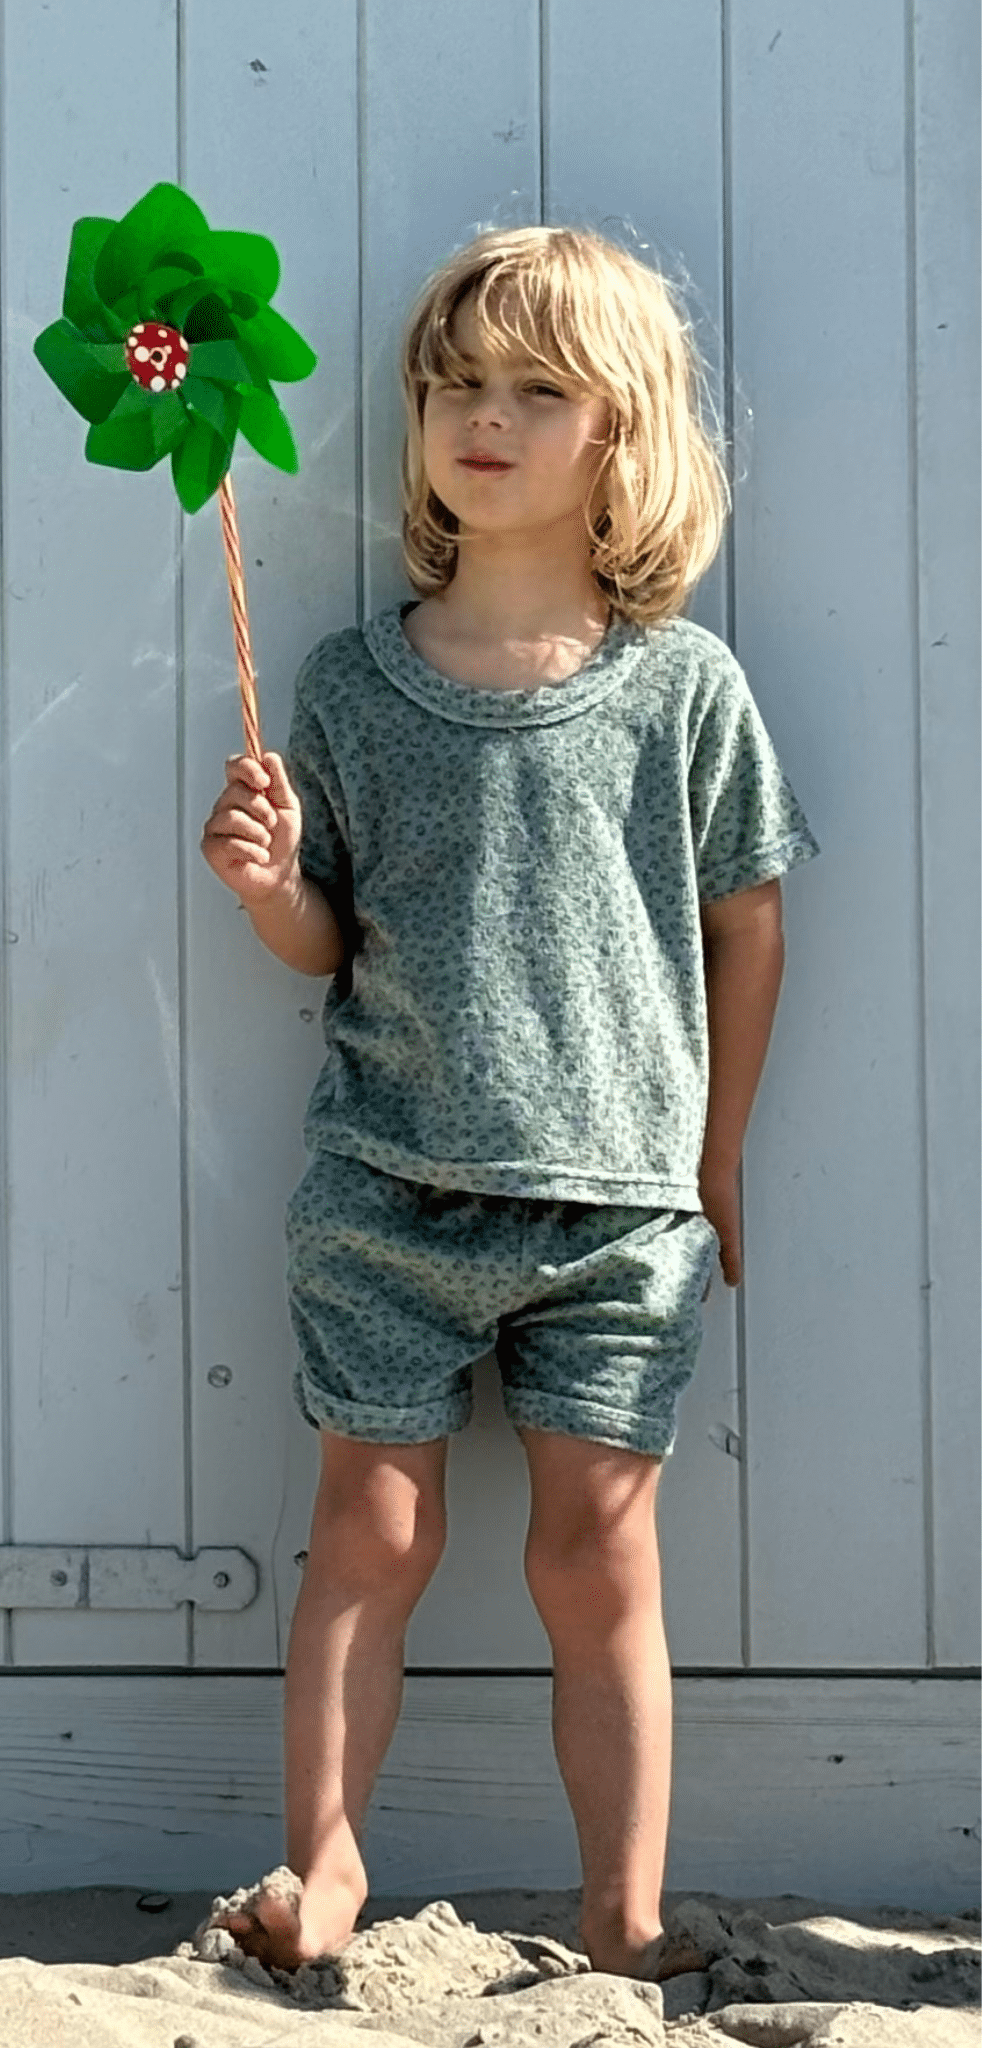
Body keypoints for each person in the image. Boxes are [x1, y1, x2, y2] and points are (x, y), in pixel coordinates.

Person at [197, 224, 818, 1980]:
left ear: (619, 435)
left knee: (595, 1560)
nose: (486, 415)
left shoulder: (683, 689)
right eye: (456, 383)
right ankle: (323, 1868)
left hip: (616, 1210)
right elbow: (331, 939)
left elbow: (748, 918)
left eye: (538, 389)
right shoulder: (343, 683)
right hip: (388, 1192)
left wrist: (716, 1162)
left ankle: (620, 1914)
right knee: (365, 1532)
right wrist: (267, 891)